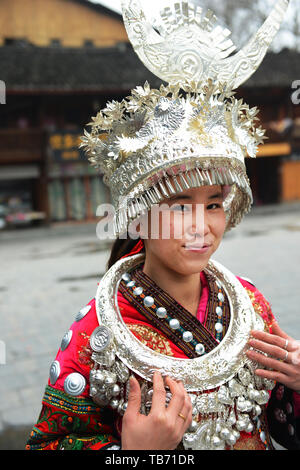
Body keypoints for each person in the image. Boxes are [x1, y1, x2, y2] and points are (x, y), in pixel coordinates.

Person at [26, 0, 300, 451]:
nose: (202, 226)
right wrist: (137, 454)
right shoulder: (96, 335)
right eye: (178, 205)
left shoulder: (251, 305)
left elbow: (274, 419)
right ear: (139, 213)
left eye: (214, 204)